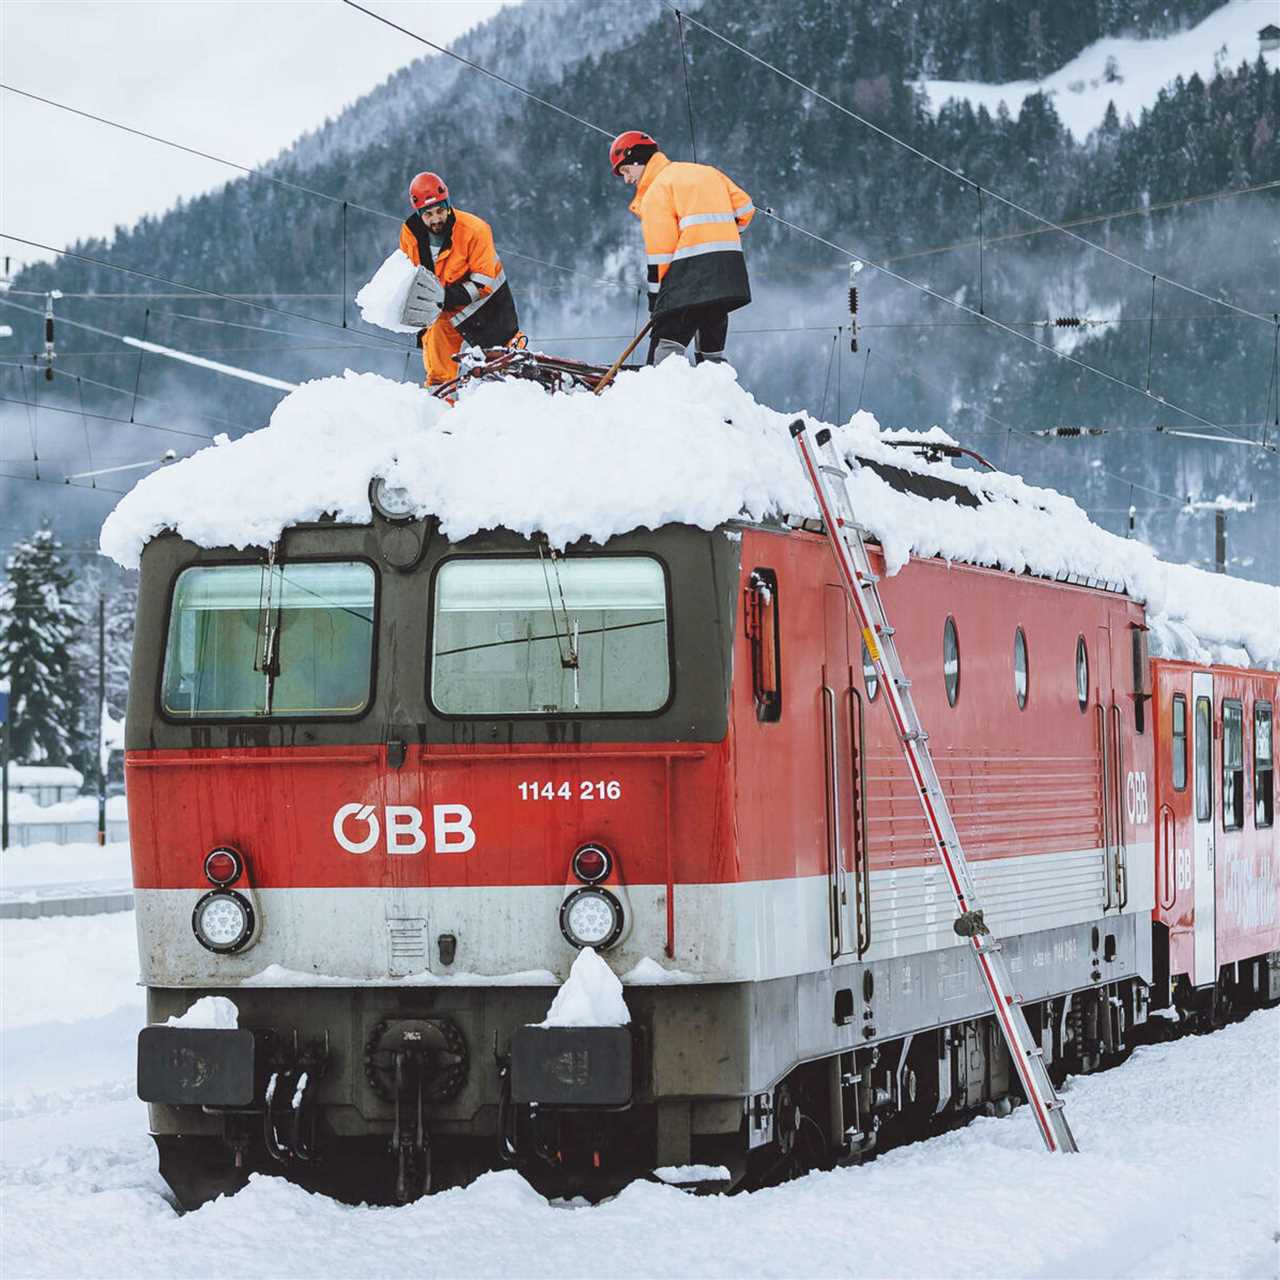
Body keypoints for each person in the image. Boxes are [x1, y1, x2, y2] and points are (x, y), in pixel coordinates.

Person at [611, 130, 754, 366]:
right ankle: (718, 392)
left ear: (637, 158)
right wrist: (719, 232)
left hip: (688, 279)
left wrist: (657, 301)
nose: (627, 179)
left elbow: (661, 252)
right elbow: (745, 210)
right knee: (711, 357)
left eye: (626, 170)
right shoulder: (708, 173)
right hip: (727, 274)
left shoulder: (658, 189)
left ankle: (658, 395)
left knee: (663, 356)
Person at [398, 171, 520, 386]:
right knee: (438, 371)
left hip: (487, 307)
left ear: (448, 204)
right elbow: (409, 272)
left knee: (507, 360)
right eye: (428, 214)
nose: (436, 218)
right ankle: (442, 405)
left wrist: (443, 296)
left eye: (440, 210)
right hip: (442, 312)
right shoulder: (410, 234)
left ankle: (526, 387)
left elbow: (483, 283)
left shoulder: (475, 230)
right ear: (418, 214)